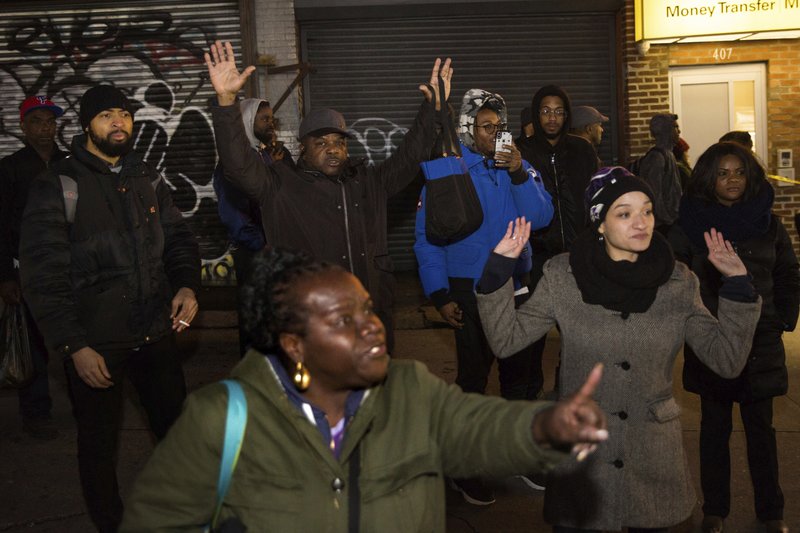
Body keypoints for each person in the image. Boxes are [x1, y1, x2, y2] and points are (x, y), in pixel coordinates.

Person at [120, 247, 608, 532]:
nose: (373, 327)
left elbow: (477, 428)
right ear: (294, 345)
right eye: (344, 321)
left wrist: (545, 425)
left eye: (369, 310)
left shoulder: (410, 390)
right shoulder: (222, 420)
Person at [476, 167, 762, 532]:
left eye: (646, 210)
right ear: (599, 223)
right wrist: (498, 271)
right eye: (624, 213)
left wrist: (737, 287)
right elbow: (506, 340)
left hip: (654, 458)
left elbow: (727, 361)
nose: (641, 222)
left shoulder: (678, 282)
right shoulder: (563, 278)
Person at [19, 84, 201, 533]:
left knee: (179, 436)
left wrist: (187, 286)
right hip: (96, 343)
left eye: (124, 113)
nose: (118, 122)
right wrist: (73, 345)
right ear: (86, 126)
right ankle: (110, 523)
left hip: (155, 333)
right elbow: (43, 278)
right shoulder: (58, 185)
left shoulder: (147, 176)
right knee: (99, 447)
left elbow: (178, 240)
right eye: (106, 116)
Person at [205, 41, 449, 352]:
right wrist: (227, 103)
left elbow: (409, 157)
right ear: (303, 150)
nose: (332, 148)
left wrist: (432, 109)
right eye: (320, 142)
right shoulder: (279, 186)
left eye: (338, 141)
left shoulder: (368, 181)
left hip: (368, 321)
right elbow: (237, 165)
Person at [414, 88, 553, 504]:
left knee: (522, 379)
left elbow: (542, 217)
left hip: (517, 285)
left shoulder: (519, 167)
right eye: (486, 126)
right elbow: (427, 240)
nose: (495, 134)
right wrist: (439, 293)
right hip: (469, 289)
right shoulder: (446, 172)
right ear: (467, 128)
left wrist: (516, 174)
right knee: (473, 381)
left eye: (500, 126)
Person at [669, 142, 796, 533]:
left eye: (739, 172)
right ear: (709, 177)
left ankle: (770, 511)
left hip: (761, 340)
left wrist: (780, 319)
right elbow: (673, 278)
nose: (732, 180)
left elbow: (788, 273)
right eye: (723, 173)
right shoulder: (691, 224)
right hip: (712, 339)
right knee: (713, 429)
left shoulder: (768, 223)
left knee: (762, 430)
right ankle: (715, 511)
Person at [517, 85, 599, 405]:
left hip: (576, 256)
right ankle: (530, 391)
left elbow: (595, 197)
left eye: (559, 111)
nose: (552, 118)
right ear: (536, 115)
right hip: (535, 255)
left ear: (567, 115)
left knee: (576, 331)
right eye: (546, 111)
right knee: (533, 332)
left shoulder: (581, 149)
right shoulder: (521, 151)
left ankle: (570, 390)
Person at [0, 96, 68, 440]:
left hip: (70, 268)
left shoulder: (69, 164)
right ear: (24, 126)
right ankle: (36, 413)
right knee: (35, 345)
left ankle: (87, 404)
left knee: (74, 337)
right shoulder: (10, 169)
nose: (46, 128)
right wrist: (6, 277)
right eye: (38, 121)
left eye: (51, 121)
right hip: (26, 270)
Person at [212, 97, 293, 356]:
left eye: (272, 119)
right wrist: (263, 244)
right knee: (255, 319)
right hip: (254, 253)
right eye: (264, 119)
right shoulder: (233, 165)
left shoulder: (262, 156)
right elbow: (234, 216)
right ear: (248, 121)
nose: (271, 124)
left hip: (271, 250)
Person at [638, 112, 682, 233]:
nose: (679, 131)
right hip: (662, 225)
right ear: (665, 130)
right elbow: (653, 194)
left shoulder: (669, 154)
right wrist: (666, 220)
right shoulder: (656, 158)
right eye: (675, 127)